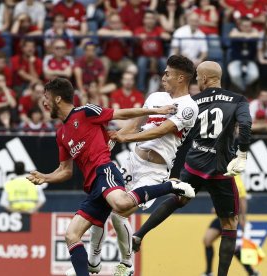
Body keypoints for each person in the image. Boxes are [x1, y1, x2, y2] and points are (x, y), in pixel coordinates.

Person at [27, 77, 195, 276]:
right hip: (91, 186)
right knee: (72, 235)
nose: (43, 103)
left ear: (57, 99)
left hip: (104, 171)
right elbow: (65, 170)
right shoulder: (61, 134)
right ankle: (93, 264)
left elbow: (121, 113)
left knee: (121, 206)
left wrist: (154, 111)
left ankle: (170, 186)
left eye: (46, 98)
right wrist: (45, 177)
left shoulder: (85, 112)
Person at [66, 55, 199, 276]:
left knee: (120, 212)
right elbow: (137, 125)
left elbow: (161, 130)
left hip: (154, 170)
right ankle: (93, 262)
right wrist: (115, 136)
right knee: (103, 199)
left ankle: (127, 264)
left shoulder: (188, 107)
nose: (163, 76)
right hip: (132, 159)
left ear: (181, 77)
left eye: (168, 73)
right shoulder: (155, 96)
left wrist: (124, 139)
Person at [130, 61, 252, 276]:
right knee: (230, 224)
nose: (197, 81)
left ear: (204, 79)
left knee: (178, 199)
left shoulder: (193, 101)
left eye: (197, 78)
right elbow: (246, 125)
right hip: (220, 168)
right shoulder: (238, 100)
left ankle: (139, 234)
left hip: (195, 165)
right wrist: (242, 154)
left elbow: (172, 128)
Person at [202, 175, 260, 276]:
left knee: (233, 248)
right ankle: (208, 272)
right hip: (221, 216)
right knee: (207, 240)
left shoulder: (235, 177)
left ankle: (252, 272)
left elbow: (242, 199)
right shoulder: (220, 173)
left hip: (232, 218)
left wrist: (242, 217)